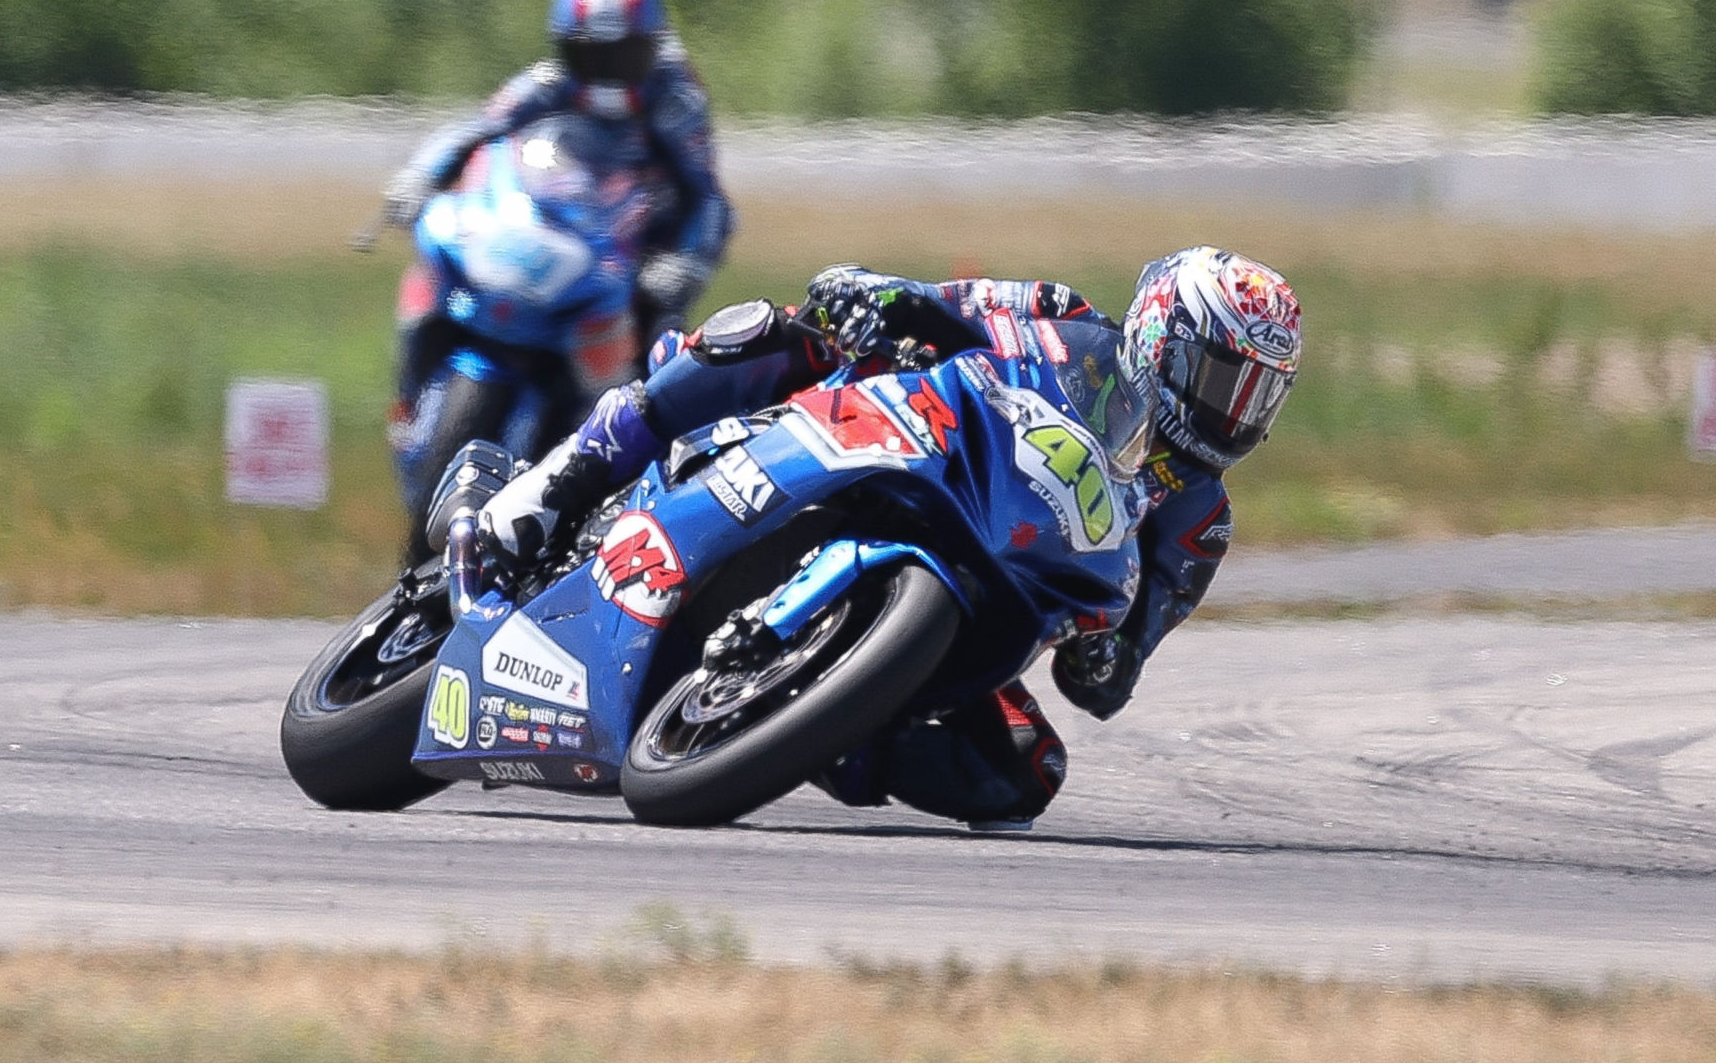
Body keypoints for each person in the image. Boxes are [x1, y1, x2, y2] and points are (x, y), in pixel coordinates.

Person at [474, 248, 1302, 829]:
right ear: (1165, 337)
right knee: (778, 332)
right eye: (1226, 380)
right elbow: (956, 304)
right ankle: (562, 482)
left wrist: (1105, 658)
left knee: (1025, 771)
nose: (1236, 413)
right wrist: (884, 299)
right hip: (913, 445)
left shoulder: (1200, 519)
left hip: (1001, 590)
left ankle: (829, 731)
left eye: (1259, 397)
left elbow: (1123, 665)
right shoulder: (1066, 318)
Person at [382, 0, 733, 353]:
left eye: (624, 57)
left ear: (651, 46)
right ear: (565, 48)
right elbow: (476, 127)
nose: (608, 74)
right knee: (438, 281)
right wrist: (420, 174)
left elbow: (707, 197)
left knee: (658, 344)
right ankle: (409, 398)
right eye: (592, 57)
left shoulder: (678, 101)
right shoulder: (551, 80)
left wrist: (689, 263)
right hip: (561, 231)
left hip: (636, 255)